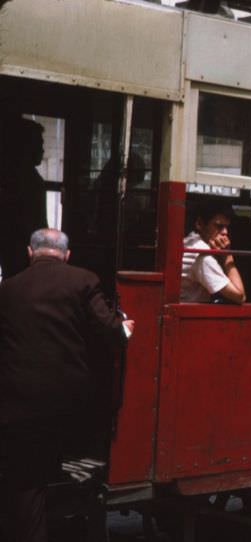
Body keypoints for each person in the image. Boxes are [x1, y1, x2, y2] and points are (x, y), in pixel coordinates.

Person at [0, 228, 134, 542]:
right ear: (67, 254)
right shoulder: (84, 280)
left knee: (27, 479)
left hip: (17, 404)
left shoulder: (8, 288)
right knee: (72, 467)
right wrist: (124, 328)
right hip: (70, 405)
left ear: (30, 253)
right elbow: (109, 332)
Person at [0, 117, 48, 280]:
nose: (43, 150)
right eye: (40, 144)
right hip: (22, 248)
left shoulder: (14, 177)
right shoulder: (29, 181)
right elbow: (36, 221)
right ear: (28, 147)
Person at [181, 201, 246, 304]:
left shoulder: (191, 240)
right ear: (200, 224)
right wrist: (228, 256)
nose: (225, 232)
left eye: (227, 227)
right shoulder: (202, 256)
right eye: (219, 226)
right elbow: (240, 296)